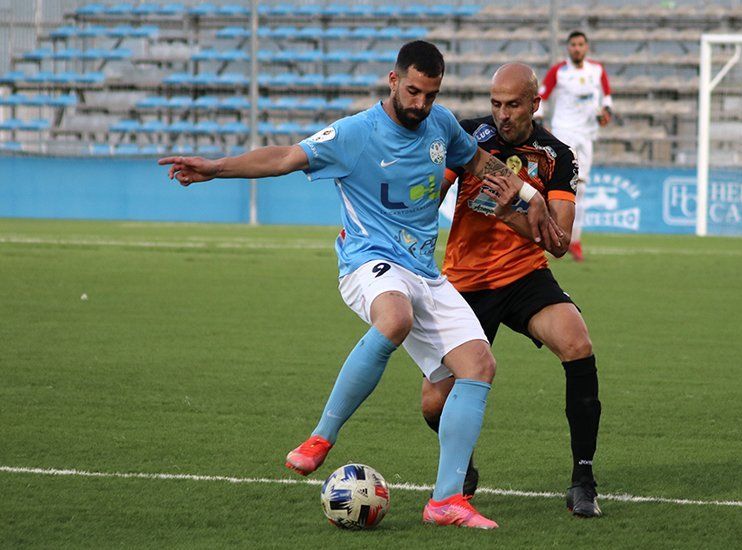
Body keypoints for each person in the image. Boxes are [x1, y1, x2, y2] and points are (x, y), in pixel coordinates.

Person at [159, 41, 560, 529]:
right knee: (395, 317)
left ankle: (446, 501)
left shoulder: (441, 125)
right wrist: (216, 169)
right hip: (367, 261)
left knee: (478, 364)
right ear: (393, 81)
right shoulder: (356, 133)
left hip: (423, 271)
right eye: (413, 91)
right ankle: (321, 437)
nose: (420, 104)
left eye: (430, 95)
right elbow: (287, 156)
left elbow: (478, 163)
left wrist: (526, 192)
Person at [421, 63, 604, 517]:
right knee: (431, 403)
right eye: (496, 104)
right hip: (464, 282)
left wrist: (511, 214)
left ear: (535, 104)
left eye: (513, 104)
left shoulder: (557, 156)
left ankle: (584, 480)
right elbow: (429, 196)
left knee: (577, 344)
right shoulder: (467, 138)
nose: (502, 114)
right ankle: (463, 464)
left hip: (524, 275)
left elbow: (559, 244)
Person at [537, 30, 613, 262]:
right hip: (563, 134)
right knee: (554, 185)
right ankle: (545, 236)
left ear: (586, 47)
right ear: (568, 48)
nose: (577, 48)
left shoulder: (597, 71)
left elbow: (607, 99)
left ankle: (574, 239)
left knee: (581, 189)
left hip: (586, 136)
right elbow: (542, 96)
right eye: (573, 45)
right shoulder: (558, 72)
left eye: (580, 44)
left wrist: (605, 114)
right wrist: (539, 120)